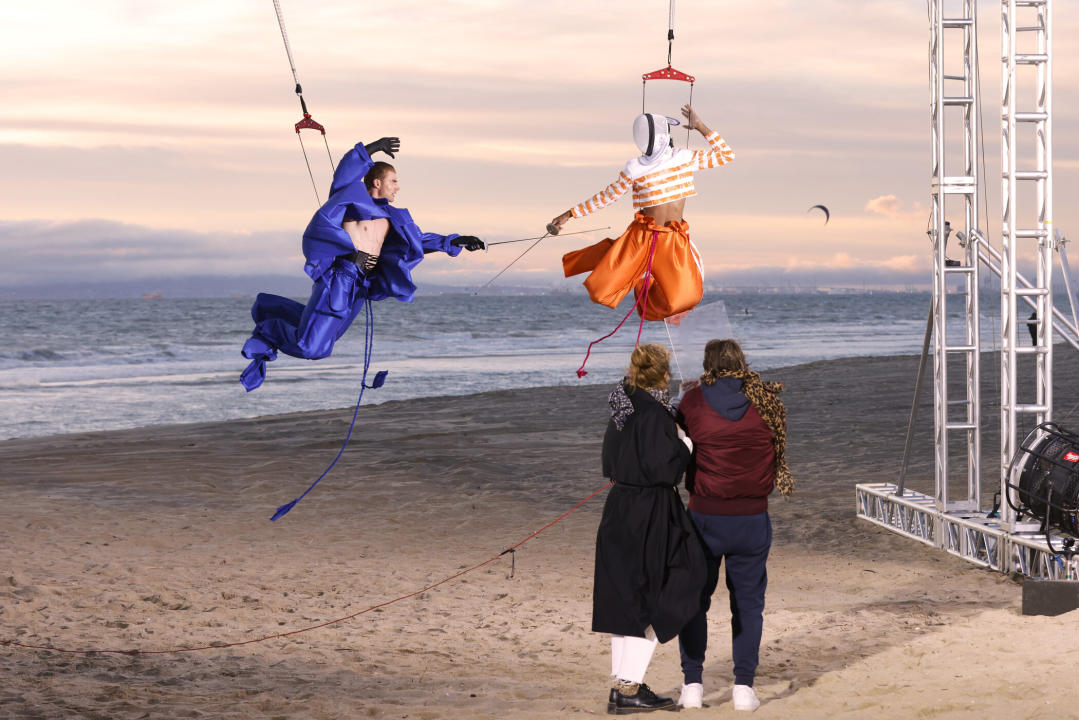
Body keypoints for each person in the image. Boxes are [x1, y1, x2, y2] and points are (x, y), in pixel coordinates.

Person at [239, 138, 486, 390]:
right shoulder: (352, 200)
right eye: (394, 181)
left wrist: (459, 241)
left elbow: (418, 241)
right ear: (377, 182)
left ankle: (274, 312)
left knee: (325, 344)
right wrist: (374, 147)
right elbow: (344, 175)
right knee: (310, 347)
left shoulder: (393, 216)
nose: (398, 188)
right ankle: (267, 330)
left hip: (359, 286)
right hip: (340, 278)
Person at [673, 339, 794, 712]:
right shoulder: (767, 401)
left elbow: (677, 448)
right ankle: (743, 688)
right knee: (748, 606)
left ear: (709, 365)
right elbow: (778, 449)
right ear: (742, 363)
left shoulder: (693, 402)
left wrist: (684, 399)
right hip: (751, 518)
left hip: (705, 516)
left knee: (694, 601)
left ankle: (692, 684)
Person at [594, 343, 708, 714]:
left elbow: (608, 459)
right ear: (662, 372)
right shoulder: (652, 413)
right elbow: (667, 470)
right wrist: (686, 442)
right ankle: (628, 688)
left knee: (627, 597)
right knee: (662, 591)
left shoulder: (622, 407)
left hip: (620, 508)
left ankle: (626, 687)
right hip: (649, 510)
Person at [549, 105, 734, 321]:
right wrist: (570, 214)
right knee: (599, 292)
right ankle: (618, 259)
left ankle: (642, 279)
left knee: (687, 298)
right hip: (641, 237)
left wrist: (700, 126)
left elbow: (726, 155)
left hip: (672, 239)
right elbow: (606, 197)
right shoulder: (634, 168)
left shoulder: (683, 157)